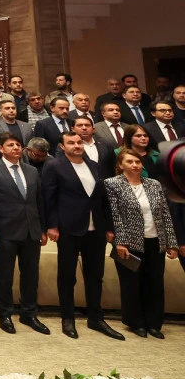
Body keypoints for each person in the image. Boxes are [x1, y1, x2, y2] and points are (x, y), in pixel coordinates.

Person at [43, 131, 123, 340]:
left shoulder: (93, 165)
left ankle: (96, 318)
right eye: (71, 142)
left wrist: (108, 226)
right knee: (67, 276)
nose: (77, 145)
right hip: (69, 228)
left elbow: (101, 199)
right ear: (62, 146)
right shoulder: (54, 166)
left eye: (79, 142)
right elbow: (49, 198)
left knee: (96, 276)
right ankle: (67, 319)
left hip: (95, 229)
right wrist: (52, 226)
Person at [105, 150, 179, 338]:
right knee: (131, 284)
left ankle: (154, 324)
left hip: (155, 240)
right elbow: (115, 216)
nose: (135, 165)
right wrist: (120, 242)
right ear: (121, 165)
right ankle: (135, 322)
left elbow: (165, 215)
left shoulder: (154, 185)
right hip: (129, 243)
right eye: (130, 161)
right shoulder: (112, 184)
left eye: (138, 161)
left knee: (154, 284)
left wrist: (171, 242)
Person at [0, 134, 48, 335]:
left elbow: (39, 202)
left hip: (31, 230)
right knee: (5, 275)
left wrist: (42, 229)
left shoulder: (32, 171)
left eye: (18, 145)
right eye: (11, 145)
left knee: (31, 274)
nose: (16, 148)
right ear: (1, 149)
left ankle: (29, 314)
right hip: (5, 230)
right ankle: (5, 314)